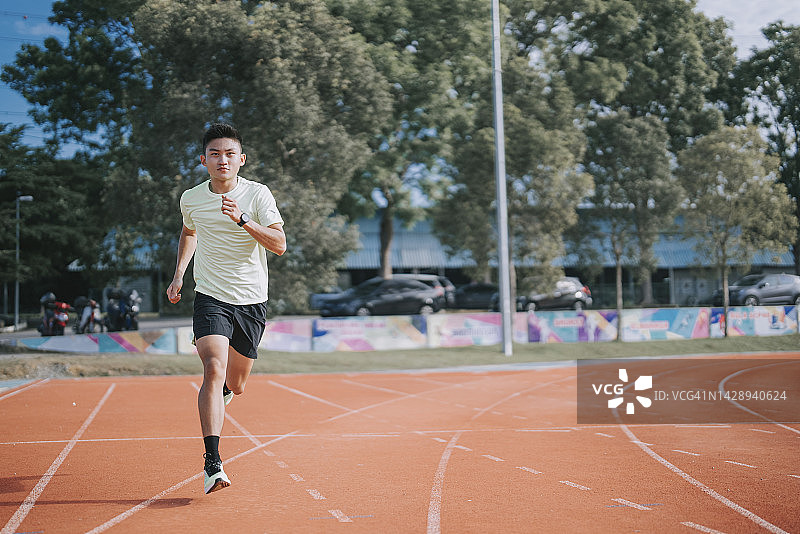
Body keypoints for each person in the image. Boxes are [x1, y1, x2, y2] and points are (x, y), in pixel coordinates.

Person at [166, 123, 286, 494]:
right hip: (210, 296)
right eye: (215, 154)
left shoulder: (257, 194)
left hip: (251, 300)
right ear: (203, 160)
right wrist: (179, 274)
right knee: (213, 368)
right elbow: (190, 231)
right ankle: (213, 462)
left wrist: (243, 219)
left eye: (230, 154)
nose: (223, 160)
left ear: (241, 159)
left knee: (236, 384)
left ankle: (225, 393)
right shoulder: (191, 198)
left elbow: (279, 244)